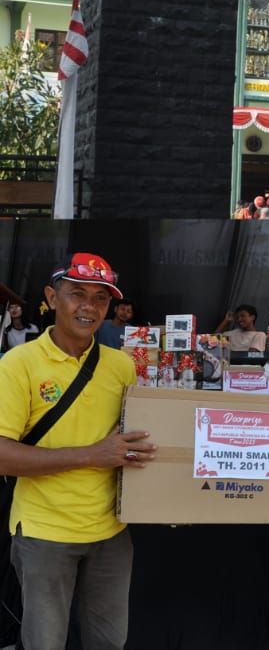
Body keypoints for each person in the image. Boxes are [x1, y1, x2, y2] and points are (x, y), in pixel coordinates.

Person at [0, 253, 155, 650]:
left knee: (109, 643)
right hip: (44, 532)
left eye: (100, 298)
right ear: (52, 297)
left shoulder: (121, 366)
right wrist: (91, 454)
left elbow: (133, 443)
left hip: (111, 534)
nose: (89, 307)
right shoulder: (18, 365)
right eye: (77, 294)